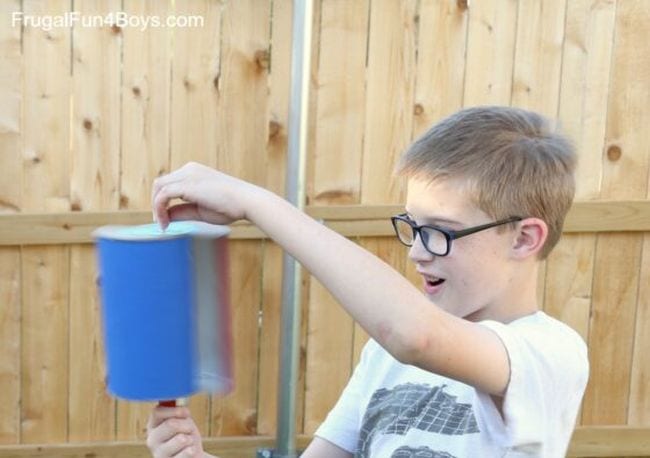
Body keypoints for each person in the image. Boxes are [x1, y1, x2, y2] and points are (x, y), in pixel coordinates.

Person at [146, 106, 589, 458]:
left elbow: (415, 335)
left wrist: (254, 203)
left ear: (524, 238)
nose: (416, 251)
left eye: (440, 232)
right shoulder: (384, 359)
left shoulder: (549, 354)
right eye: (413, 227)